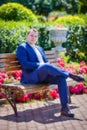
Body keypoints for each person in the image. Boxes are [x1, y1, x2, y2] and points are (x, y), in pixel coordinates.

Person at [16, 28, 84, 118]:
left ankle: (65, 108)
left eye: (35, 36)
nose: (33, 38)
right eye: (31, 35)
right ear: (27, 36)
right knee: (45, 66)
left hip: (43, 75)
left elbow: (46, 62)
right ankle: (70, 74)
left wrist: (46, 64)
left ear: (37, 38)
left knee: (61, 79)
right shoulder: (22, 47)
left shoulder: (39, 48)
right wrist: (41, 64)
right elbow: (25, 64)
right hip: (32, 76)